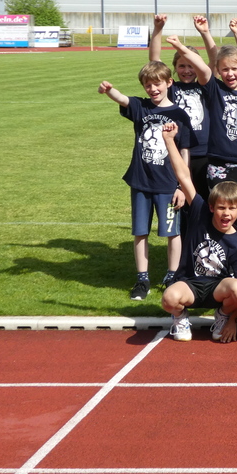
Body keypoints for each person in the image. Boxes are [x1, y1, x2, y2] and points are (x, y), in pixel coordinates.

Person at [97, 62, 193, 299]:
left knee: (172, 233)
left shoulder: (180, 115)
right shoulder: (141, 107)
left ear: (169, 83)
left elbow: (185, 152)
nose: (153, 89)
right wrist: (109, 90)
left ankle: (172, 275)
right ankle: (142, 279)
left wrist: (182, 185)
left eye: (157, 83)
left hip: (168, 184)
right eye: (148, 85)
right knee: (140, 232)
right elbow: (123, 99)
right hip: (141, 182)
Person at [166, 33, 237, 261]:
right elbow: (202, 66)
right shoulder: (215, 90)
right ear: (218, 71)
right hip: (218, 166)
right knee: (219, 219)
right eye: (225, 70)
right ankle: (218, 266)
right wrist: (181, 46)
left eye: (234, 69)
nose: (230, 74)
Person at [160, 122, 237, 343]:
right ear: (212, 207)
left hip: (217, 289)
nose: (226, 213)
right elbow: (184, 176)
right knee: (168, 298)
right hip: (190, 283)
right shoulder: (200, 212)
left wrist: (232, 320)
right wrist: (169, 140)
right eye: (221, 208)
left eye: (232, 209)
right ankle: (180, 317)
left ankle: (220, 316)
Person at [150, 14, 213, 199]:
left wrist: (205, 33)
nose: (187, 70)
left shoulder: (206, 86)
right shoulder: (170, 86)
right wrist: (158, 29)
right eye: (182, 66)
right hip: (176, 150)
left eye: (191, 65)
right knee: (179, 198)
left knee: (204, 197)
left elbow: (214, 60)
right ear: (175, 67)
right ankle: (181, 229)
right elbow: (154, 61)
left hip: (204, 152)